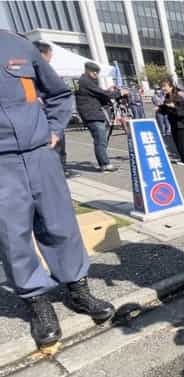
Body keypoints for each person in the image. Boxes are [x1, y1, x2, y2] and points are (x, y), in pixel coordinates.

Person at [0, 29, 116, 348]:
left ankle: (78, 290)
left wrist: (54, 129)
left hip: (40, 153)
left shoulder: (18, 46)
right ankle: (38, 302)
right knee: (13, 235)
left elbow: (59, 94)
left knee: (60, 224)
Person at [33, 40, 78, 177]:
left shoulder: (42, 71)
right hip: (40, 124)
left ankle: (60, 170)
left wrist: (55, 127)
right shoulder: (33, 69)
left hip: (50, 122)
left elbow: (60, 95)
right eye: (50, 55)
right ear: (42, 54)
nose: (50, 59)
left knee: (57, 148)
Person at [75, 61, 118, 172]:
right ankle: (105, 163)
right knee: (100, 140)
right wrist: (118, 93)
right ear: (88, 71)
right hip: (92, 115)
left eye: (97, 72)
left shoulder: (87, 82)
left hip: (94, 114)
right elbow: (102, 94)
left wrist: (108, 92)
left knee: (100, 140)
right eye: (94, 72)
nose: (96, 75)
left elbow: (100, 94)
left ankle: (103, 163)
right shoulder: (85, 81)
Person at [158, 79, 184, 165]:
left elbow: (183, 111)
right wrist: (160, 108)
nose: (163, 88)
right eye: (162, 86)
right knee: (177, 142)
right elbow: (165, 110)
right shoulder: (167, 97)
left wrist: (173, 107)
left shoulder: (177, 97)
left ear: (171, 87)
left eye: (165, 86)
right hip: (173, 123)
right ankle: (183, 159)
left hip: (180, 123)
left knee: (183, 143)